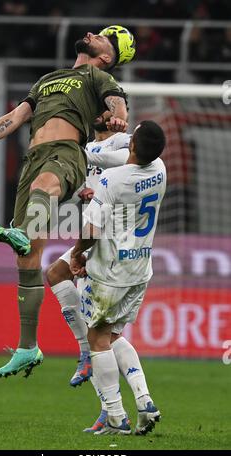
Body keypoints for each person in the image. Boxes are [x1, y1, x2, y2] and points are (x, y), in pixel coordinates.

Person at [0, 27, 135, 378]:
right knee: (27, 258)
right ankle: (27, 347)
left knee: (44, 186)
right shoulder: (48, 79)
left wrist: (119, 117)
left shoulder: (97, 76)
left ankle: (20, 230)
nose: (90, 33)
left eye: (99, 36)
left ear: (107, 57)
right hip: (32, 158)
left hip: (66, 154)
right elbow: (17, 116)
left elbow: (117, 102)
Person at [70, 121, 166, 435]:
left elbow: (91, 231)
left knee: (97, 339)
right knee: (112, 336)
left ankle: (114, 417)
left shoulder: (112, 180)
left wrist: (76, 254)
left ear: (133, 145)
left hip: (111, 272)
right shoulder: (161, 169)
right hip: (140, 270)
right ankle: (145, 401)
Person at [47, 110, 130, 386]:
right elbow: (78, 186)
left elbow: (130, 169)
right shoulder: (86, 147)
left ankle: (124, 406)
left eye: (104, 108)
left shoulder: (122, 142)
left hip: (111, 239)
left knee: (103, 335)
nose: (96, 112)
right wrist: (80, 190)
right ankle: (85, 354)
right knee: (56, 274)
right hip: (92, 233)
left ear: (116, 113)